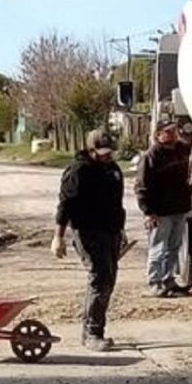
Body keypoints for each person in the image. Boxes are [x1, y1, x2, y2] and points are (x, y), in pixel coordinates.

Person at [51, 130, 127, 352]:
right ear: (91, 149)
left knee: (108, 280)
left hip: (111, 230)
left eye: (109, 152)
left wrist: (120, 230)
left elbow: (116, 202)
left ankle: (93, 329)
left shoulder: (112, 169)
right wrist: (58, 237)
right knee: (99, 278)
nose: (107, 156)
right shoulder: (78, 171)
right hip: (88, 231)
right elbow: (65, 205)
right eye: (102, 152)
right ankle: (92, 333)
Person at [134, 120, 191, 297]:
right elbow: (142, 187)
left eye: (174, 130)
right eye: (168, 131)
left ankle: (169, 279)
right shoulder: (151, 156)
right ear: (158, 134)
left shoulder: (181, 151)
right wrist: (148, 212)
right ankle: (155, 282)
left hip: (179, 209)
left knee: (174, 247)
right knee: (158, 247)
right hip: (160, 212)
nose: (173, 134)